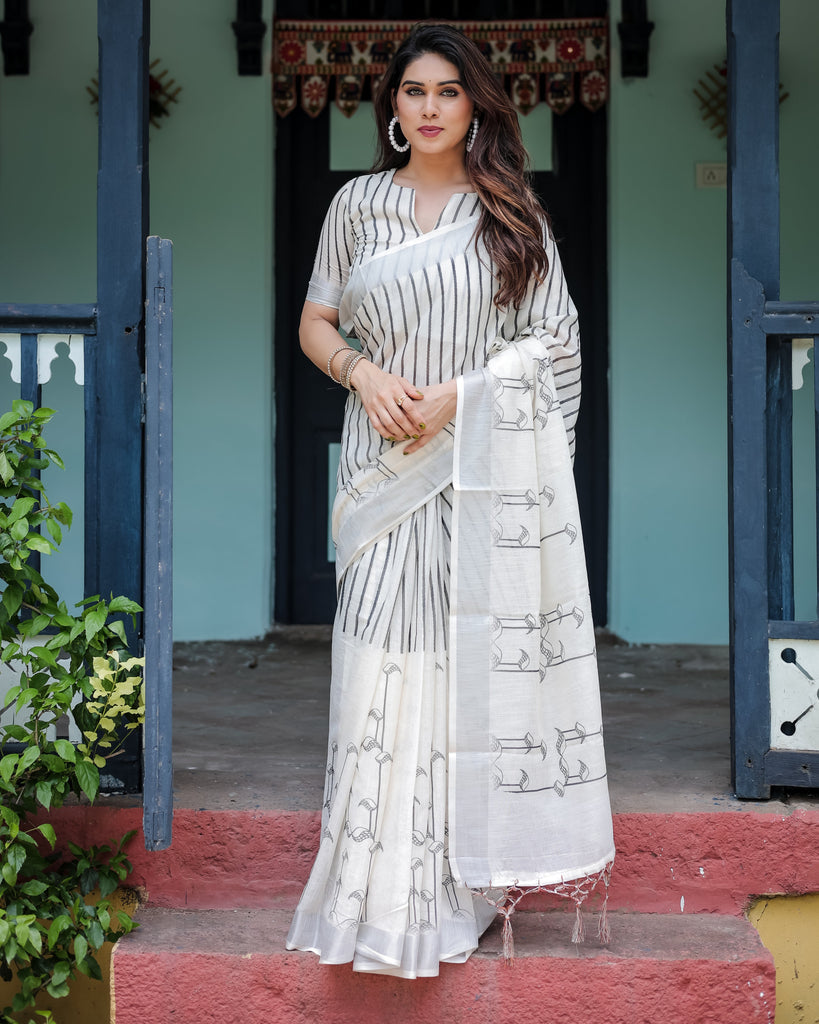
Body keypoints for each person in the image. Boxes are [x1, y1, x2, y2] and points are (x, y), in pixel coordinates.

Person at [285, 21, 614, 978]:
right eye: (413, 91)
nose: (429, 108)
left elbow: (552, 344)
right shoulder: (356, 206)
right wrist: (361, 373)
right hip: (379, 472)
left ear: (475, 106)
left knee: (452, 669)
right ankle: (366, 892)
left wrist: (461, 398)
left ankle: (443, 890)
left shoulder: (510, 213)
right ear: (391, 105)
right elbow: (315, 318)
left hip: (471, 475)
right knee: (376, 663)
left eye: (447, 91)